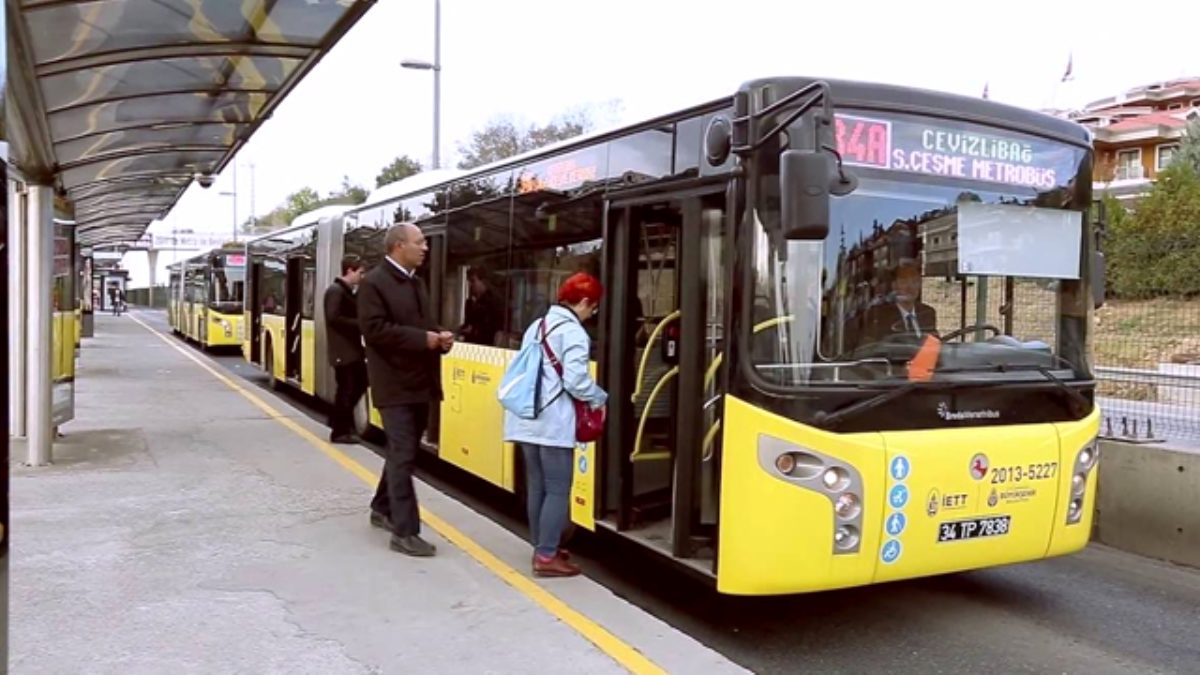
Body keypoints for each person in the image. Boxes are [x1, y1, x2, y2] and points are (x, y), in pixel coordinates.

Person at [357, 223, 454, 558]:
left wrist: (439, 337)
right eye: (419, 242)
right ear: (399, 246)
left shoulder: (416, 282)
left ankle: (381, 507)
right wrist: (422, 339)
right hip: (394, 384)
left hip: (419, 382)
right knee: (404, 455)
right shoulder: (374, 283)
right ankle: (405, 531)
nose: (425, 248)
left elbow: (421, 325)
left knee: (404, 451)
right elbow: (374, 330)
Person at [503, 272, 608, 577]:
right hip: (552, 422)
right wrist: (599, 396)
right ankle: (547, 555)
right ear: (585, 302)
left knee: (537, 486)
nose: (592, 314)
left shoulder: (538, 325)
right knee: (559, 489)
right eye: (594, 308)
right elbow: (575, 381)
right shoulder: (574, 333)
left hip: (526, 417)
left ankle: (542, 545)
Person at [323, 255, 366, 444]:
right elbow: (333, 318)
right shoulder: (336, 291)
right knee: (347, 389)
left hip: (351, 350)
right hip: (343, 351)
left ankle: (337, 419)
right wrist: (360, 324)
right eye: (360, 273)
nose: (362, 277)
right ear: (350, 270)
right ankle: (340, 431)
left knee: (359, 383)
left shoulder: (347, 291)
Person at [459, 266, 503, 345]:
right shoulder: (470, 302)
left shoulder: (493, 302)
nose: (470, 285)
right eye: (469, 282)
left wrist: (473, 330)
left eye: (473, 281)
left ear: (483, 281)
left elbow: (495, 329)